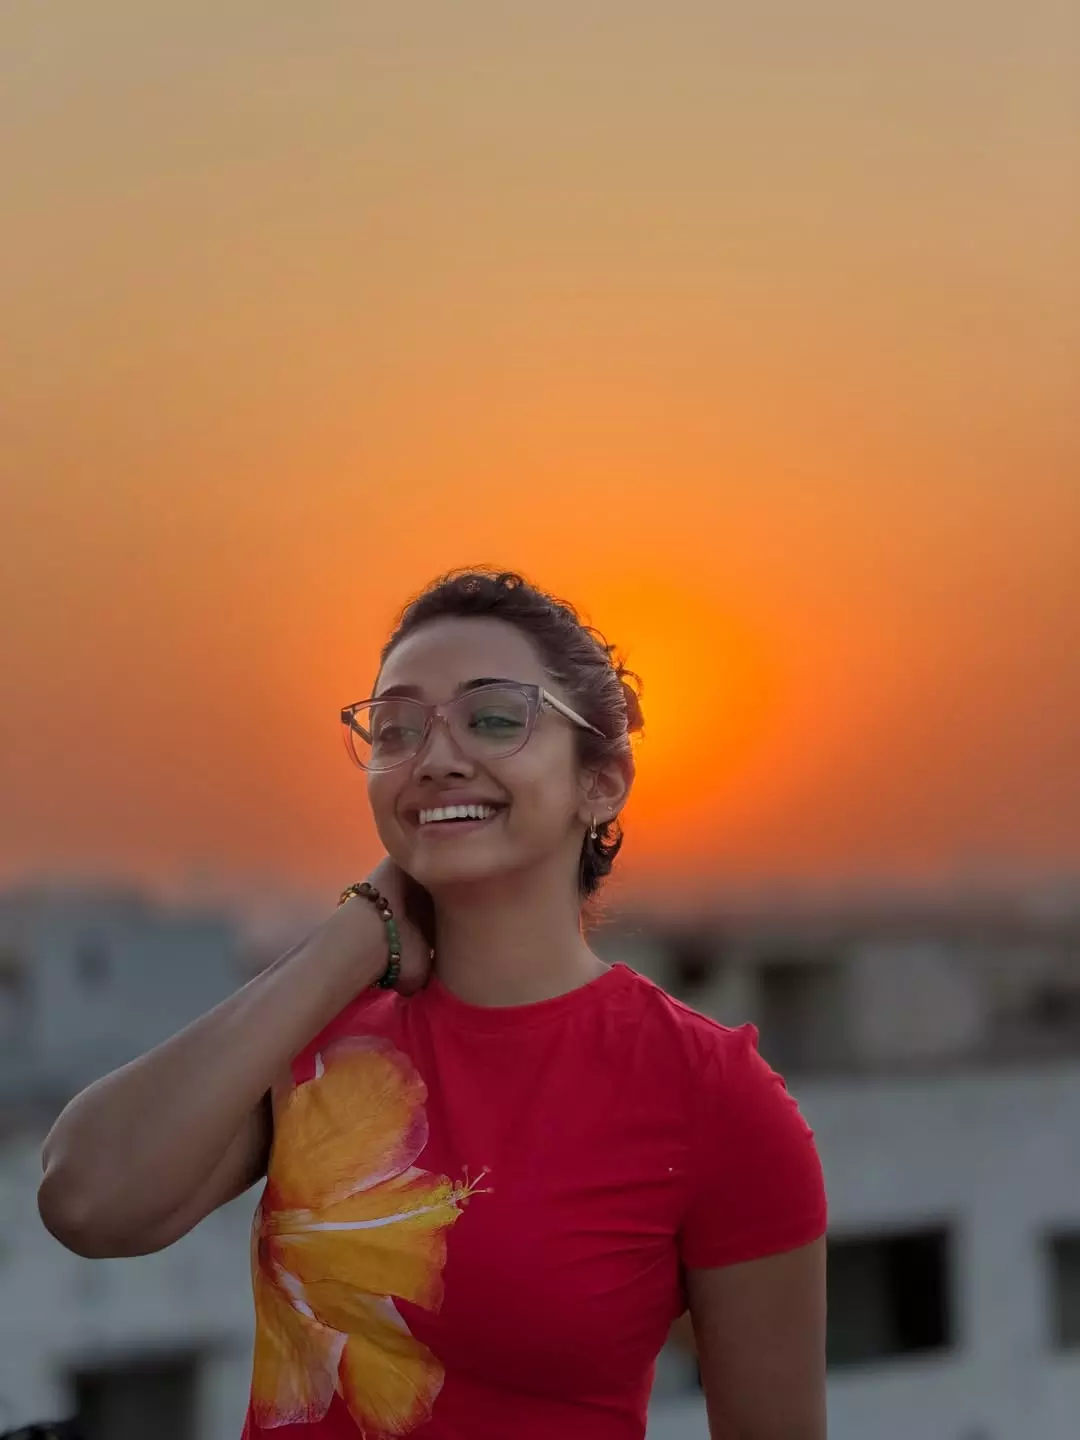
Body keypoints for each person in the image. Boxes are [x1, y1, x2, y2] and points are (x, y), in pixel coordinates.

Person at [38, 569, 828, 1440]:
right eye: (397, 729)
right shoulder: (326, 1037)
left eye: (493, 719)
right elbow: (86, 1201)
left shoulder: (711, 1093)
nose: (435, 757)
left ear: (600, 783)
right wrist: (357, 931)